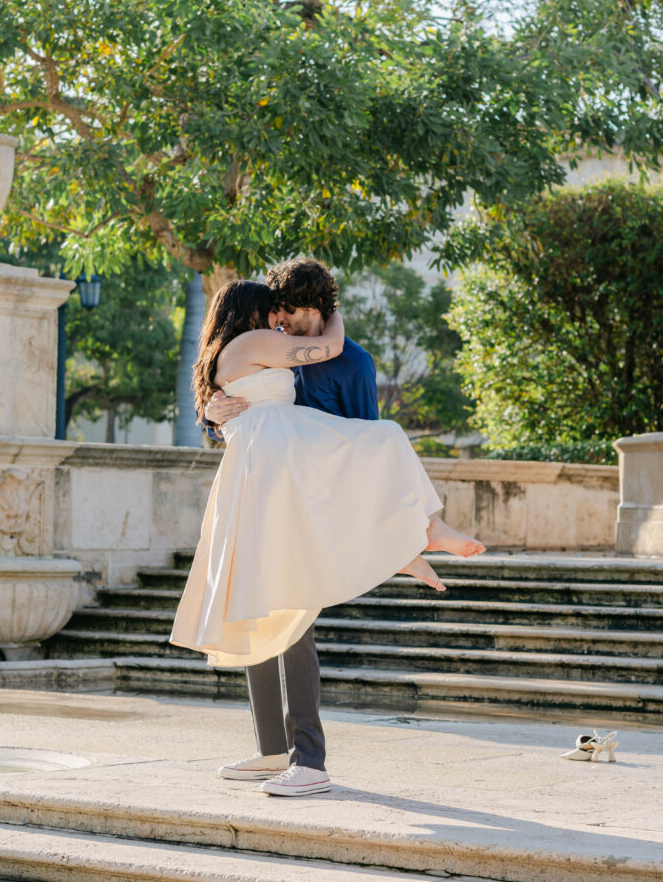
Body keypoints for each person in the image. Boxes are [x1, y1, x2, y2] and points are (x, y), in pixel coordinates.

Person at [170, 263, 485, 798]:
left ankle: (305, 758)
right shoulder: (265, 346)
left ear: (308, 309)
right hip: (268, 481)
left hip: (304, 485)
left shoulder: (345, 360)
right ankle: (278, 750)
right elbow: (242, 398)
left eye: (283, 311)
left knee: (290, 615)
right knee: (260, 606)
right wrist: (211, 410)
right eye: (268, 313)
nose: (277, 321)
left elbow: (356, 437)